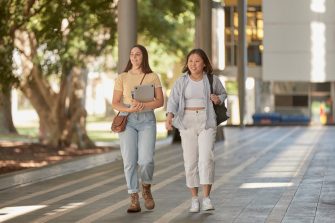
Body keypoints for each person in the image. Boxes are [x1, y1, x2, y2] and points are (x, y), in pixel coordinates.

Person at [165, 48, 227, 212]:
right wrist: (169, 117)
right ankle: (194, 199)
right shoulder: (182, 81)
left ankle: (206, 198)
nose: (193, 64)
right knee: (190, 161)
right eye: (191, 61)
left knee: (206, 159)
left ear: (204, 63)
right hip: (187, 122)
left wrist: (218, 98)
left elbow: (223, 94)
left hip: (206, 122)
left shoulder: (212, 80)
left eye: (197, 61)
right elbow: (173, 100)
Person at [112, 44, 164, 213]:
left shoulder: (152, 76)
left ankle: (146, 188)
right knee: (129, 161)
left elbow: (160, 101)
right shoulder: (122, 77)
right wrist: (130, 109)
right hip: (128, 119)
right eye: (132, 54)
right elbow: (115, 102)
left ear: (144, 57)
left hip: (147, 119)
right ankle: (134, 197)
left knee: (146, 160)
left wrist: (144, 104)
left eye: (138, 55)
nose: (134, 57)